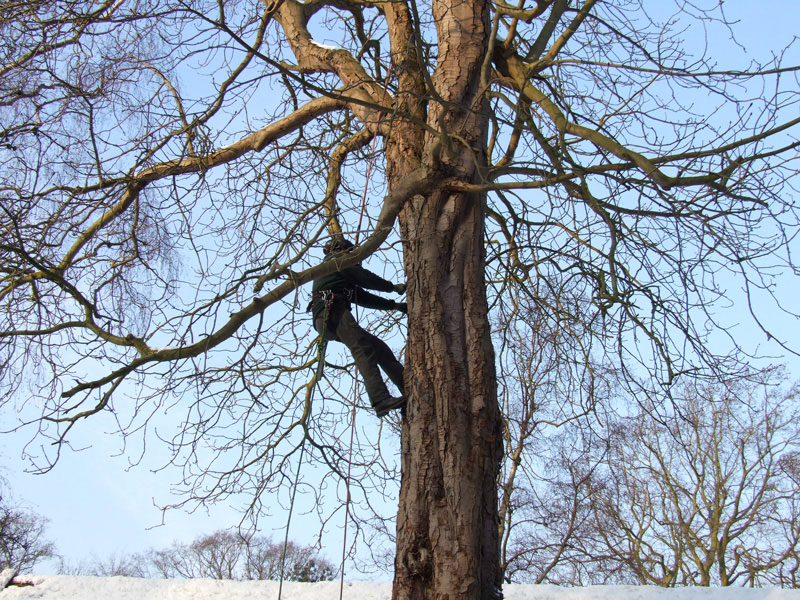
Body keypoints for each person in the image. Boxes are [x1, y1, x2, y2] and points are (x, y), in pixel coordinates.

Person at [308, 237, 407, 417]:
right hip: (331, 311)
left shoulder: (337, 275)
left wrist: (394, 306)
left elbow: (362, 297)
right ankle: (380, 400)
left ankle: (408, 388)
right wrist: (392, 287)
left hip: (330, 315)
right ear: (342, 250)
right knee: (361, 347)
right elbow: (365, 279)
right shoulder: (336, 262)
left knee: (379, 349)